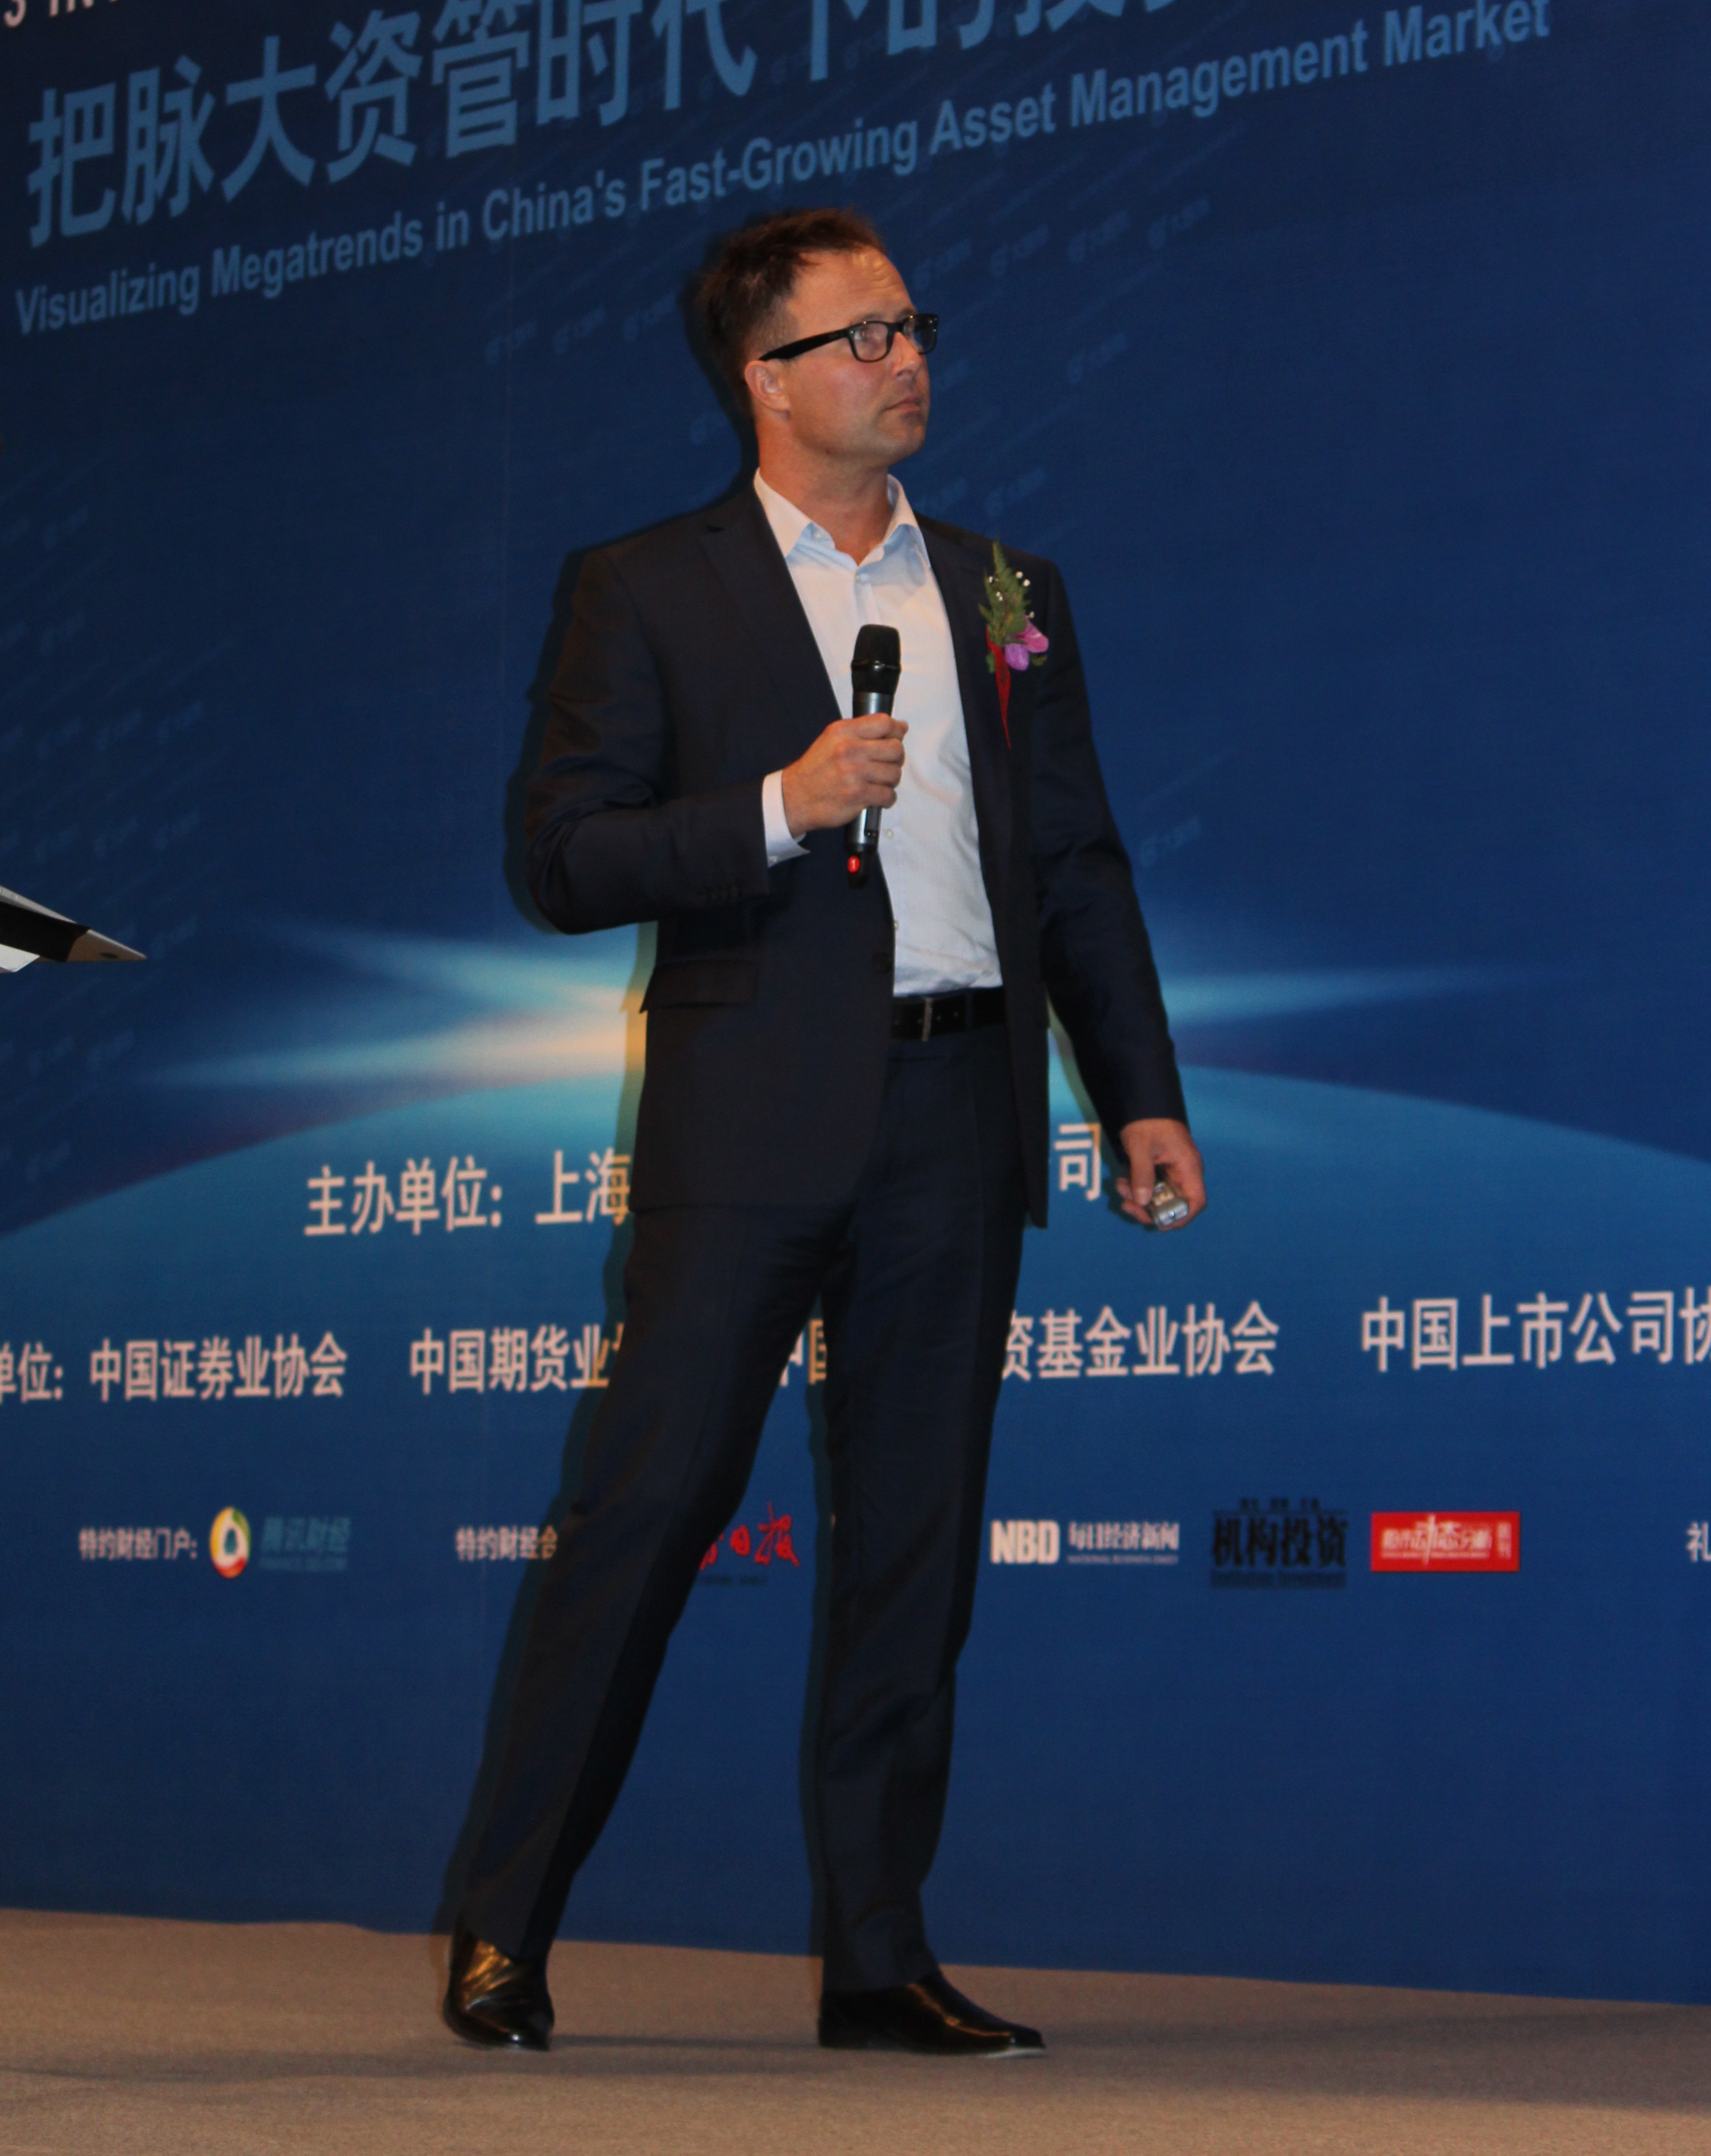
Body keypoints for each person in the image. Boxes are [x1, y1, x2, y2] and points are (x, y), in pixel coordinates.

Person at [445, 206, 1204, 2059]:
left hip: (959, 1108)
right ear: (763, 378)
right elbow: (563, 856)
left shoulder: (1007, 591)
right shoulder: (645, 585)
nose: (906, 359)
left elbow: (1077, 859)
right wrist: (777, 807)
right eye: (861, 336)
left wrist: (1140, 1091)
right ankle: (504, 1929)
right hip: (750, 1120)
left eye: (912, 326)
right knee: (642, 1516)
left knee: (913, 1549)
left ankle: (878, 1958)